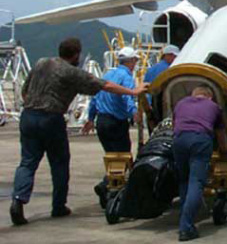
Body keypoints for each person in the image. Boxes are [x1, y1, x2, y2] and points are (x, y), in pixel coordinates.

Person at [10, 38, 146, 226]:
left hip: (29, 116)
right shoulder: (72, 72)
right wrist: (134, 92)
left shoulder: (41, 63)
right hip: (52, 118)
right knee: (59, 163)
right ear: (76, 55)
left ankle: (18, 200)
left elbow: (25, 92)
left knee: (27, 162)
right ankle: (58, 205)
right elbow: (104, 86)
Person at [83, 46, 142, 208]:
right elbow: (127, 97)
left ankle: (109, 188)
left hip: (101, 122)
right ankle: (108, 188)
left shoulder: (107, 75)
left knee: (112, 157)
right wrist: (134, 112)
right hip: (116, 122)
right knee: (122, 158)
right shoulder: (126, 77)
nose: (135, 64)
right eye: (135, 61)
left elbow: (95, 99)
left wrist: (90, 119)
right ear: (131, 61)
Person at [171, 85, 227, 242]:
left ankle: (185, 218)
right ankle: (186, 227)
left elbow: (175, 125)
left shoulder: (181, 103)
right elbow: (221, 132)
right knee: (196, 182)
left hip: (179, 140)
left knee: (184, 180)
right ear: (209, 96)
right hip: (200, 139)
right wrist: (224, 150)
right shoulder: (213, 106)